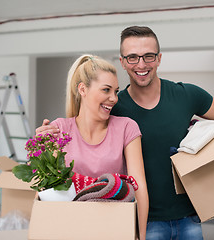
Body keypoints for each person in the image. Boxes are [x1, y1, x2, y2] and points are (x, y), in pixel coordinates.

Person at [37, 26, 214, 239]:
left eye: (148, 56)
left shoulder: (186, 95)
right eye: (132, 57)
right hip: (143, 220)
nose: (141, 64)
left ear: (159, 58)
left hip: (189, 216)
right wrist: (50, 134)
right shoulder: (113, 107)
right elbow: (82, 131)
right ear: (122, 61)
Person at [36, 54, 149, 240]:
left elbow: (140, 187)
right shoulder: (60, 129)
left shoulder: (127, 127)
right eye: (106, 90)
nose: (113, 98)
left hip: (115, 230)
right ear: (82, 89)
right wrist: (42, 149)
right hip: (71, 231)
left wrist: (141, 236)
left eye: (116, 91)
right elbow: (49, 189)